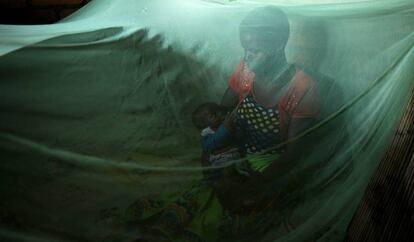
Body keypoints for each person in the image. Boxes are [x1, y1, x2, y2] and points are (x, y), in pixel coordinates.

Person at [219, 6, 321, 239]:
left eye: (253, 50)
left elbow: (293, 152)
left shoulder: (303, 88)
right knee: (219, 178)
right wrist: (224, 154)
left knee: (251, 206)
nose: (247, 57)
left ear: (277, 46)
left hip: (271, 164)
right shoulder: (246, 71)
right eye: (245, 49)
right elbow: (223, 108)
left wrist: (259, 180)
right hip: (239, 152)